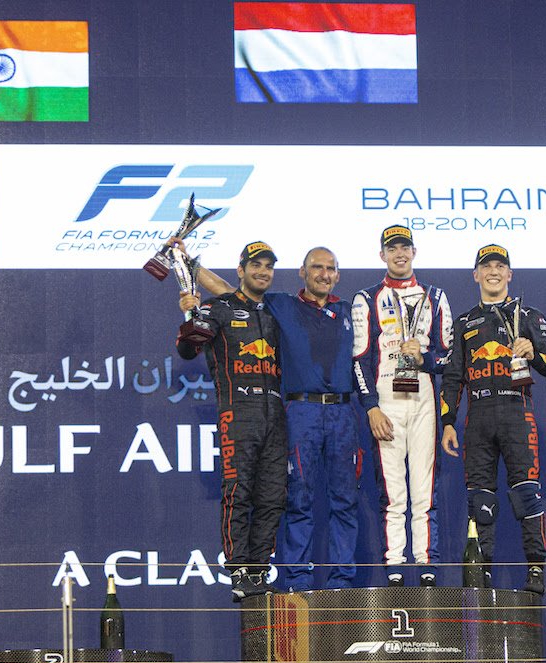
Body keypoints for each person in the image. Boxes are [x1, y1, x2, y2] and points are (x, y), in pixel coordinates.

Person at [189, 246, 360, 591]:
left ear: (338, 274)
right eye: (316, 267)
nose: (323, 274)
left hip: (343, 411)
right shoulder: (282, 305)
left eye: (330, 268)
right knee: (298, 497)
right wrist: (190, 266)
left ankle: (342, 580)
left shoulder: (349, 310)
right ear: (302, 271)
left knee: (345, 499)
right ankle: (298, 579)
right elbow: (231, 294)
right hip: (301, 409)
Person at [440, 244, 546, 594]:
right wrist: (448, 422)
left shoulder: (529, 315)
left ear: (509, 274)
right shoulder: (464, 322)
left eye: (500, 266)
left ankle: (535, 569)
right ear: (475, 274)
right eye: (486, 266)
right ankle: (483, 571)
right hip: (477, 416)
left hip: (516, 412)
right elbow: (452, 377)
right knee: (480, 499)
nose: (493, 272)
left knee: (526, 494)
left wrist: (534, 353)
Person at [176, 241, 286, 601]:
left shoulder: (273, 312)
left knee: (272, 496)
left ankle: (257, 570)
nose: (262, 272)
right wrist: (190, 316)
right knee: (238, 491)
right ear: (240, 270)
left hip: (275, 411)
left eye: (268, 266)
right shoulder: (218, 308)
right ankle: (238, 569)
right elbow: (189, 349)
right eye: (255, 265)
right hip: (237, 409)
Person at [352, 225, 452, 587]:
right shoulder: (367, 298)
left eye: (405, 248)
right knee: (393, 490)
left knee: (424, 489)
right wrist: (370, 406)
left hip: (423, 396)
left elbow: (451, 357)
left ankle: (427, 565)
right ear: (382, 255)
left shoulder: (436, 296)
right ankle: (395, 566)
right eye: (392, 248)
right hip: (387, 398)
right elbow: (359, 359)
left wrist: (425, 358)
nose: (399, 254)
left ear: (414, 252)